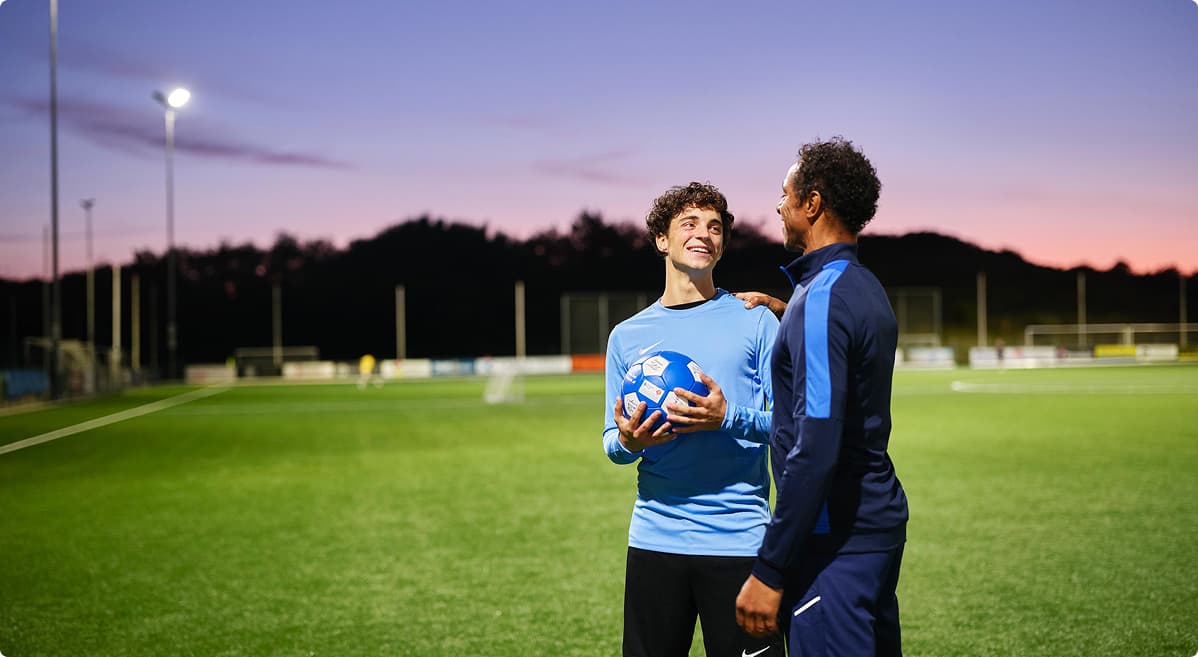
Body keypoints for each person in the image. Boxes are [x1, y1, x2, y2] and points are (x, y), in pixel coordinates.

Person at [735, 137, 910, 656]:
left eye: (784, 194)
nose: (777, 207)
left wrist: (770, 569)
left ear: (811, 204)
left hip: (835, 542)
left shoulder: (822, 302)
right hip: (873, 528)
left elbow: (815, 447)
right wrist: (791, 313)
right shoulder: (862, 285)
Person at [603, 182, 784, 657]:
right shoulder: (627, 337)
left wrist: (728, 417)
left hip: (740, 541)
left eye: (715, 227)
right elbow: (611, 444)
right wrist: (630, 441)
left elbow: (794, 426)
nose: (704, 234)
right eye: (689, 223)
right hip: (654, 539)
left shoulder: (755, 321)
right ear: (662, 240)